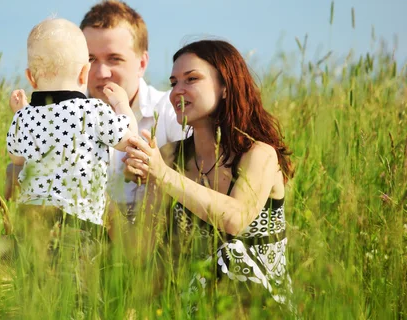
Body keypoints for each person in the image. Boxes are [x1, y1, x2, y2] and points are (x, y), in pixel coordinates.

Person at [124, 39, 294, 308]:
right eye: (173, 83)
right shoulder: (170, 157)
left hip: (260, 307)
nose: (177, 91)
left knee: (232, 255)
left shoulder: (259, 154)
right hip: (190, 304)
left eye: (191, 79)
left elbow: (236, 218)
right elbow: (141, 250)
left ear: (225, 87)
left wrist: (162, 175)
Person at [6, 0, 185, 220]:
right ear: (83, 68)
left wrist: (157, 178)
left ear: (142, 63)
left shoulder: (172, 112)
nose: (101, 73)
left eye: (114, 59)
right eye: (92, 59)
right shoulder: (78, 112)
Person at [6, 18, 138, 227]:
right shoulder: (94, 111)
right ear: (84, 72)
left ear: (31, 78)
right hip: (78, 223)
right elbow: (130, 140)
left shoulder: (24, 117)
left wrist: (21, 114)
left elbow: (17, 159)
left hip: (30, 219)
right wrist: (122, 104)